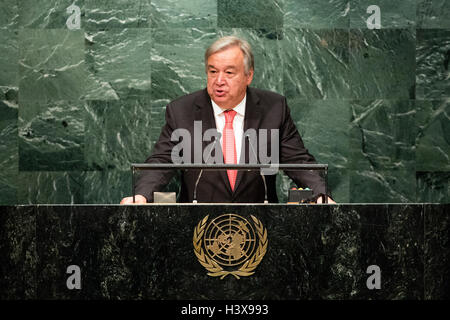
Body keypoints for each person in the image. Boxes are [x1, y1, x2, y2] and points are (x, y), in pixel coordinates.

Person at [120, 36, 335, 204]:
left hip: (259, 226)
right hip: (197, 226)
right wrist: (142, 195)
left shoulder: (274, 108)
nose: (219, 81)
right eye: (213, 71)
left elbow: (297, 161)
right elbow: (162, 161)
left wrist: (321, 195)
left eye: (229, 72)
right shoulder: (181, 111)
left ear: (248, 75)